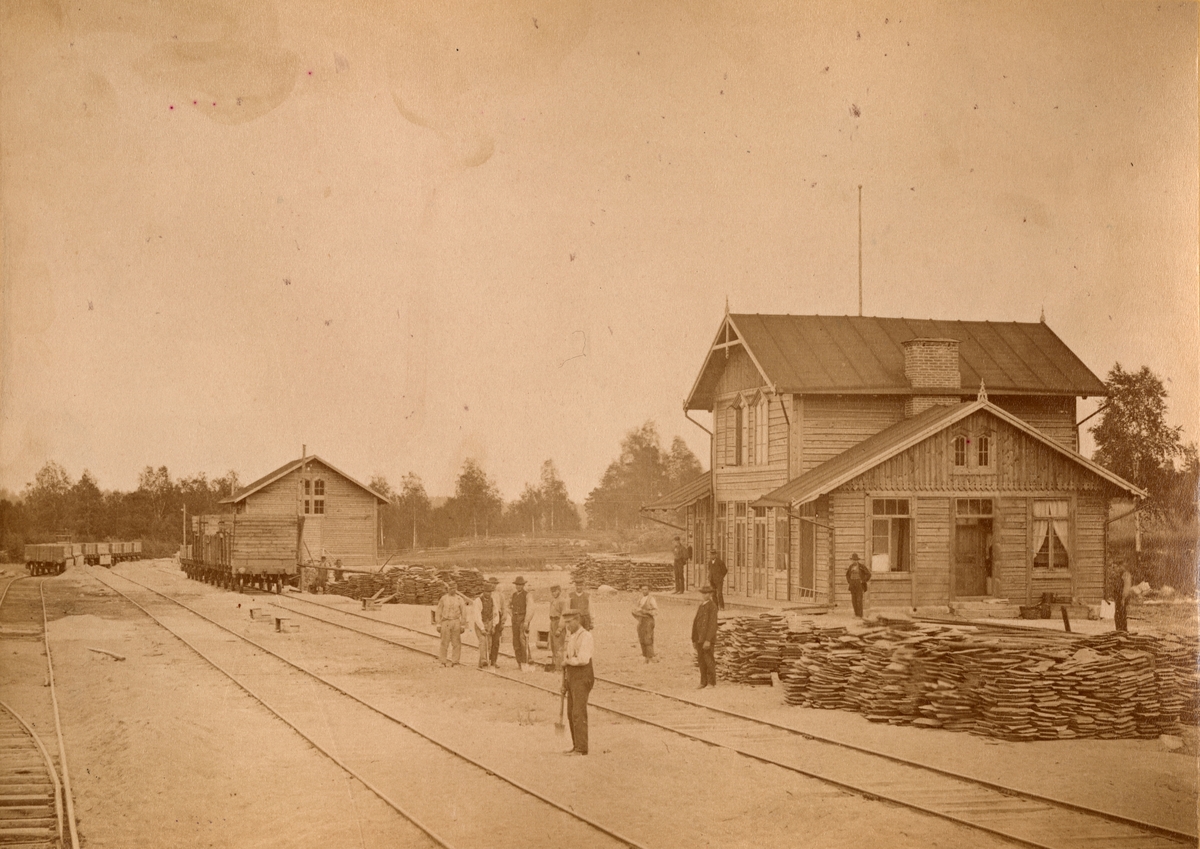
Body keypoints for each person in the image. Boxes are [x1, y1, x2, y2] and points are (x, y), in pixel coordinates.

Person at [561, 610, 594, 755]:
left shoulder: (586, 636)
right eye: (566, 622)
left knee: (578, 713)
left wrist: (567, 661)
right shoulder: (571, 636)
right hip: (572, 676)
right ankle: (576, 745)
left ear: (577, 620)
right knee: (571, 713)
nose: (567, 626)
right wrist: (565, 683)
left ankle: (582, 748)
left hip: (582, 676)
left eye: (569, 622)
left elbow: (583, 659)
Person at [692, 585, 718, 689]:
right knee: (701, 660)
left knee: (709, 660)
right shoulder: (701, 606)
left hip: (707, 639)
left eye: (706, 593)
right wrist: (694, 638)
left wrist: (708, 640)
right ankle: (703, 682)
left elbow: (712, 625)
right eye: (703, 593)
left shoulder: (712, 606)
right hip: (699, 638)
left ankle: (711, 682)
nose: (704, 595)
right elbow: (695, 623)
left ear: (711, 594)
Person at [435, 581, 466, 666]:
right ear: (448, 589)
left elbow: (464, 612)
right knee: (444, 642)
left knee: (456, 643)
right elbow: (438, 611)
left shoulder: (460, 599)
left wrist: (463, 625)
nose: (452, 590)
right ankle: (442, 661)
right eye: (451, 588)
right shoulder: (443, 598)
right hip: (445, 621)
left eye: (454, 588)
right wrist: (438, 624)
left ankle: (455, 661)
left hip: (456, 621)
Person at [510, 576, 533, 670]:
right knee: (515, 641)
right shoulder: (513, 595)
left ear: (523, 585)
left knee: (522, 639)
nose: (518, 586)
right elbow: (508, 606)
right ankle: (519, 662)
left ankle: (526, 660)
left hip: (523, 619)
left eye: (520, 585)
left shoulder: (527, 595)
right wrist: (511, 614)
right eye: (517, 585)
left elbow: (530, 609)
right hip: (515, 619)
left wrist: (526, 621)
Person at [632, 584, 658, 662]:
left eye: (646, 589)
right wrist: (636, 612)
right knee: (642, 638)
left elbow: (655, 611)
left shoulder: (651, 599)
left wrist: (645, 611)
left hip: (648, 620)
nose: (644, 591)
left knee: (648, 638)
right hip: (641, 620)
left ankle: (651, 656)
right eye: (643, 589)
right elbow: (636, 609)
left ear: (649, 590)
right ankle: (645, 657)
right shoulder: (640, 599)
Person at [548, 584, 568, 671]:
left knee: (559, 646)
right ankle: (555, 665)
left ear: (559, 591)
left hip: (558, 622)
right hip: (552, 622)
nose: (553, 593)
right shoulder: (552, 600)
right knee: (553, 646)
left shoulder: (562, 601)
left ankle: (559, 668)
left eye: (555, 591)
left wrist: (560, 628)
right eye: (552, 592)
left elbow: (564, 616)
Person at [846, 553, 872, 618]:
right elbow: (847, 575)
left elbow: (868, 574)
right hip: (852, 584)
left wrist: (863, 580)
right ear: (852, 560)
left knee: (859, 599)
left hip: (859, 584)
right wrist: (850, 581)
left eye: (855, 560)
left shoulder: (861, 566)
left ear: (857, 560)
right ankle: (856, 614)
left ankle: (860, 615)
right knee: (854, 600)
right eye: (853, 560)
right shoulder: (850, 567)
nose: (854, 561)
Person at [473, 587, 494, 669]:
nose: (488, 594)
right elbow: (477, 616)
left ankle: (482, 663)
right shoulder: (478, 601)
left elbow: (495, 613)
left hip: (489, 623)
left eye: (490, 592)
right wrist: (482, 628)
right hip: (480, 624)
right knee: (483, 640)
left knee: (489, 643)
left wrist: (493, 625)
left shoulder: (492, 600)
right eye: (487, 592)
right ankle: (484, 660)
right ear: (483, 592)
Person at [487, 578, 504, 667]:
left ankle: (493, 660)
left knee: (496, 641)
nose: (493, 586)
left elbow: (503, 609)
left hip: (498, 619)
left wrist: (503, 622)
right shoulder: (485, 594)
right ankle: (486, 659)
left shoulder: (500, 595)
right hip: (488, 618)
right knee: (487, 640)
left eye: (495, 584)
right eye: (491, 584)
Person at [1113, 566, 1133, 632]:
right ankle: (1119, 629)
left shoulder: (1126, 575)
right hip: (1118, 598)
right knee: (1118, 614)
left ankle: (1122, 629)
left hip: (1121, 598)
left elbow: (1126, 588)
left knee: (1121, 614)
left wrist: (1123, 599)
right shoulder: (1120, 576)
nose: (1118, 568)